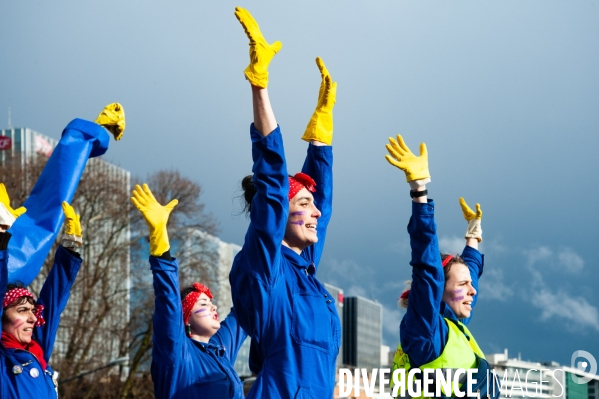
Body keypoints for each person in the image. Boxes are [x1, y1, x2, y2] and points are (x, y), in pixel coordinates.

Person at [229, 7, 341, 398]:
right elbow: (274, 189)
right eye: (305, 205)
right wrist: (260, 86)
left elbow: (319, 205)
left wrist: (321, 136)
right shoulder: (266, 269)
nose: (315, 213)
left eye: (314, 205)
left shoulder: (306, 271)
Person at [385, 134, 499, 399]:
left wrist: (473, 237)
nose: (472, 291)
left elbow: (467, 279)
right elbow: (427, 270)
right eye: (463, 285)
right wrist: (419, 191)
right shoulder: (427, 332)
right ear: (438, 291)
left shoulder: (454, 328)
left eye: (471, 285)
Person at [131, 183, 247, 399]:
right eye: (202, 304)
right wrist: (159, 238)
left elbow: (245, 309)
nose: (213, 307)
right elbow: (168, 303)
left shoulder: (220, 350)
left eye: (210, 303)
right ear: (185, 320)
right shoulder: (177, 352)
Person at [8, 103, 125, 285]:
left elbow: (48, 204)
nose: (32, 315)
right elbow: (46, 206)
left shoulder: (11, 265)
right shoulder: (12, 267)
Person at [0, 184, 84, 398]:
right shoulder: (3, 358)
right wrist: (1, 236)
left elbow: (53, 302)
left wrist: (70, 249)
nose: (32, 318)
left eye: (32, 310)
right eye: (21, 310)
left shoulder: (38, 351)